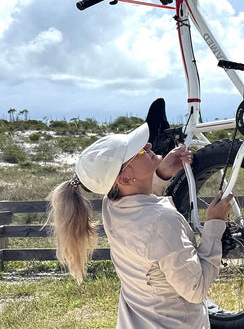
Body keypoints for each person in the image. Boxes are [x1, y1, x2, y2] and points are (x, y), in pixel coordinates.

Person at [47, 122, 233, 328]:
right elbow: (196, 290)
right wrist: (215, 225)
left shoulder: (112, 207)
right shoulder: (162, 222)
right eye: (140, 150)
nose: (149, 146)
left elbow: (141, 204)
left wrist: (160, 174)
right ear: (124, 178)